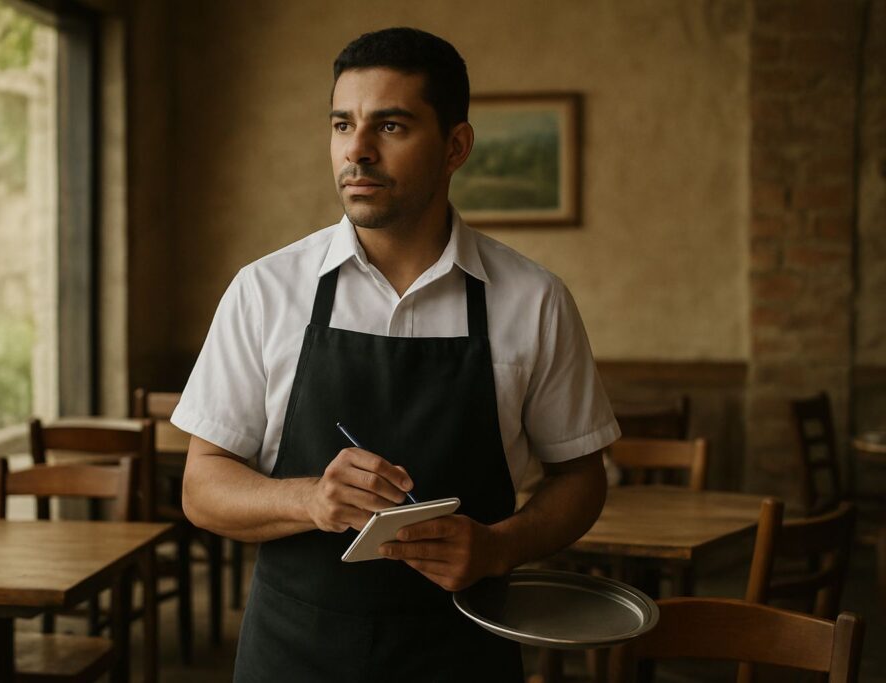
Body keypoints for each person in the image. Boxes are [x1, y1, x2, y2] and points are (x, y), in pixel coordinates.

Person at [174, 26, 620, 683]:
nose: (356, 150)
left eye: (390, 126)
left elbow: (582, 479)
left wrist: (498, 547)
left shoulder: (534, 300)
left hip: (462, 653)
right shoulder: (264, 291)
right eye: (342, 124)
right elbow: (201, 487)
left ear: (455, 146)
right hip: (293, 654)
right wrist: (310, 499)